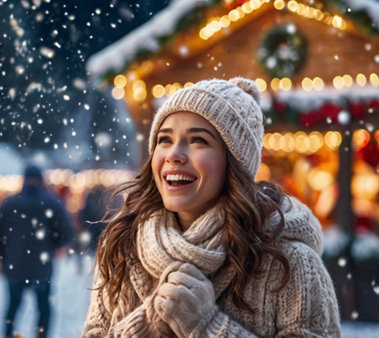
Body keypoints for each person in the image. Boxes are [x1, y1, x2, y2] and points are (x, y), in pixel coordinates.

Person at [82, 77, 341, 337]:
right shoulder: (123, 248)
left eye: (198, 140)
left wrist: (207, 326)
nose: (174, 154)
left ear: (234, 163)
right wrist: (149, 321)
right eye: (164, 139)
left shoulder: (290, 263)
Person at [0, 165, 74, 338]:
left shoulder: (9, 203)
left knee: (12, 307)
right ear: (41, 180)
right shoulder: (52, 202)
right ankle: (41, 335)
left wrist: (6, 254)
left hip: (15, 265)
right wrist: (52, 247)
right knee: (44, 308)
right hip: (41, 266)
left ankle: (8, 335)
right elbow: (67, 232)